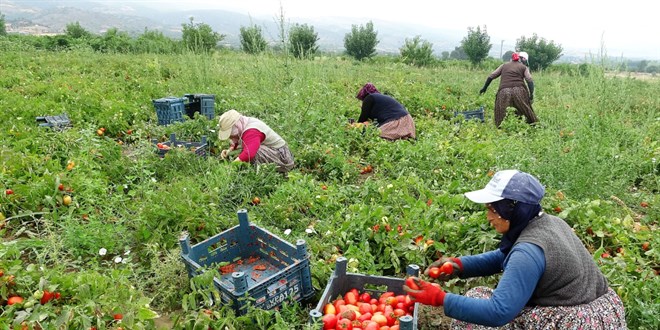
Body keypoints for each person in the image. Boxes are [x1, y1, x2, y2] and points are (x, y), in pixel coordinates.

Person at [404, 170, 627, 329]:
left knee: (473, 316)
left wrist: (440, 298)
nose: (489, 216)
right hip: (602, 312)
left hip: (572, 322)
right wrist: (460, 265)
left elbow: (498, 313)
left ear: (515, 209)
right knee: (480, 297)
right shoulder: (550, 223)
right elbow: (504, 257)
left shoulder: (528, 251)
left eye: (494, 208)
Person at [217, 109, 294, 174]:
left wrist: (231, 167)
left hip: (282, 157)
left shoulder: (251, 131)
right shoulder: (244, 123)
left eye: (231, 134)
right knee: (245, 149)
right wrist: (229, 150)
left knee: (253, 152)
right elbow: (239, 140)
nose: (231, 137)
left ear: (235, 127)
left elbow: (249, 153)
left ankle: (268, 171)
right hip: (273, 151)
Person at [479, 52, 538, 128]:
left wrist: (484, 88)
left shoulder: (504, 65)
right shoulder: (524, 67)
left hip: (504, 91)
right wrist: (531, 94)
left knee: (501, 111)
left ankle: (500, 127)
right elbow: (529, 80)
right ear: (523, 59)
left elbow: (491, 76)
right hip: (519, 90)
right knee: (525, 108)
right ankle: (533, 125)